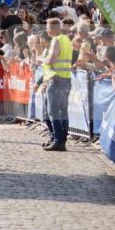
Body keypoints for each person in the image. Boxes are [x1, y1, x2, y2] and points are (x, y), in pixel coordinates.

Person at [41, 16, 73, 151]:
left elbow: (52, 59)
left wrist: (43, 59)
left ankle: (58, 141)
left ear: (52, 28)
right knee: (62, 111)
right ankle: (57, 139)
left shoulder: (56, 40)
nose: (46, 30)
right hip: (65, 79)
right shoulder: (66, 39)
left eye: (47, 27)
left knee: (52, 112)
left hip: (56, 79)